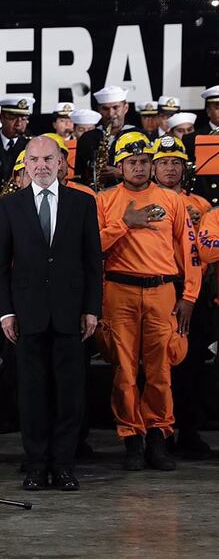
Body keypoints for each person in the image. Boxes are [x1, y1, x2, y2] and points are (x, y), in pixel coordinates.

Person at [0, 136, 102, 491]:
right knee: (33, 395)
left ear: (60, 164)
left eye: (47, 159)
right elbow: (1, 267)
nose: (40, 165)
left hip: (71, 314)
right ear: (25, 164)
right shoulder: (9, 206)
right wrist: (5, 312)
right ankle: (37, 465)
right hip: (26, 316)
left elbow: (91, 263)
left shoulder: (83, 203)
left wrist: (91, 309)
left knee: (70, 396)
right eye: (34, 159)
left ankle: (64, 466)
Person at [95, 131, 200, 472]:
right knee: (123, 370)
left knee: (160, 369)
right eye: (131, 163)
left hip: (163, 291)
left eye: (144, 162)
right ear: (120, 166)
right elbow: (90, 247)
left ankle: (158, 436)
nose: (138, 168)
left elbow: (191, 253)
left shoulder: (173, 201)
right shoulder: (104, 201)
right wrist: (125, 224)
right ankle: (131, 439)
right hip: (118, 289)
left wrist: (189, 297)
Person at [149, 136, 214, 460]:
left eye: (176, 162)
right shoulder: (147, 202)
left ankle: (189, 429)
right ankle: (159, 432)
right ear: (153, 167)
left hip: (194, 288)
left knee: (193, 360)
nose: (170, 168)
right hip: (161, 286)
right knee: (159, 362)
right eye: (163, 162)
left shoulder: (201, 205)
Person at [75, 85, 133, 186]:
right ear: (99, 110)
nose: (111, 114)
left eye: (116, 108)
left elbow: (149, 172)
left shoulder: (139, 135)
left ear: (126, 108)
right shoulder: (87, 138)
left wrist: (121, 173)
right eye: (105, 108)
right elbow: (79, 174)